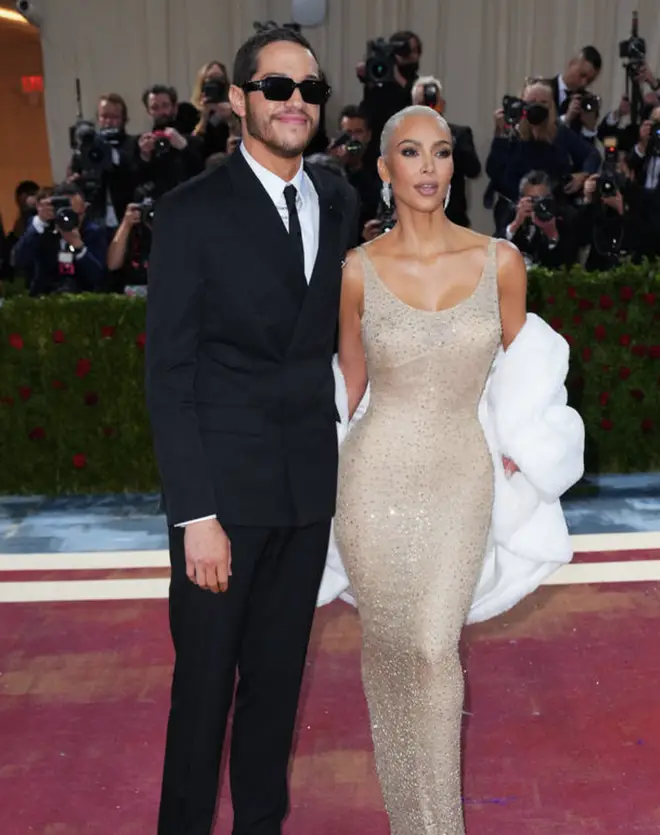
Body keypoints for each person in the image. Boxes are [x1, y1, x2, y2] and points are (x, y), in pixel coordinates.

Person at [145, 26, 357, 835]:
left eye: (309, 89)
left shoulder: (337, 200)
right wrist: (194, 513)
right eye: (276, 87)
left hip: (306, 493)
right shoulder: (190, 211)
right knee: (203, 695)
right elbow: (170, 374)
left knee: (275, 690)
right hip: (222, 506)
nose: (296, 102)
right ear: (239, 101)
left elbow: (339, 341)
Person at [334, 105, 527, 834]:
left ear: (453, 166)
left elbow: (521, 375)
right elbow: (348, 391)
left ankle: (439, 825)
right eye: (410, 153)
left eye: (441, 153)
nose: (427, 167)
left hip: (459, 476)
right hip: (373, 477)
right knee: (389, 651)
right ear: (385, 169)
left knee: (431, 646)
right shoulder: (358, 271)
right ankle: (405, 819)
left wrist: (524, 447)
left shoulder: (499, 261)